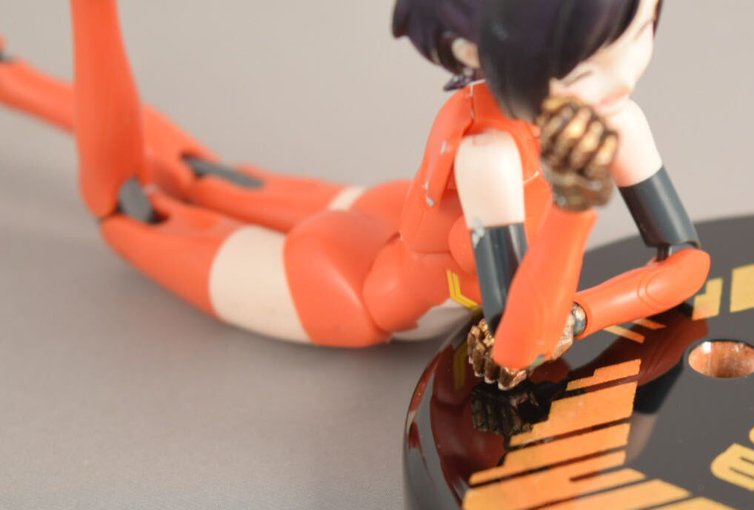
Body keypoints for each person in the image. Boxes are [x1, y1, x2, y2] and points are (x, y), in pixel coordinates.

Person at [0, 0, 709, 388]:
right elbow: (518, 348)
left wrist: (582, 315)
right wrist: (576, 210)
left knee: (197, 171)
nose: (622, 77)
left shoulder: (617, 120)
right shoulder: (488, 156)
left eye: (641, 30)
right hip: (348, 289)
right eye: (585, 68)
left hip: (382, 214)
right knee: (126, 206)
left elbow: (686, 264)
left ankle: (14, 75)